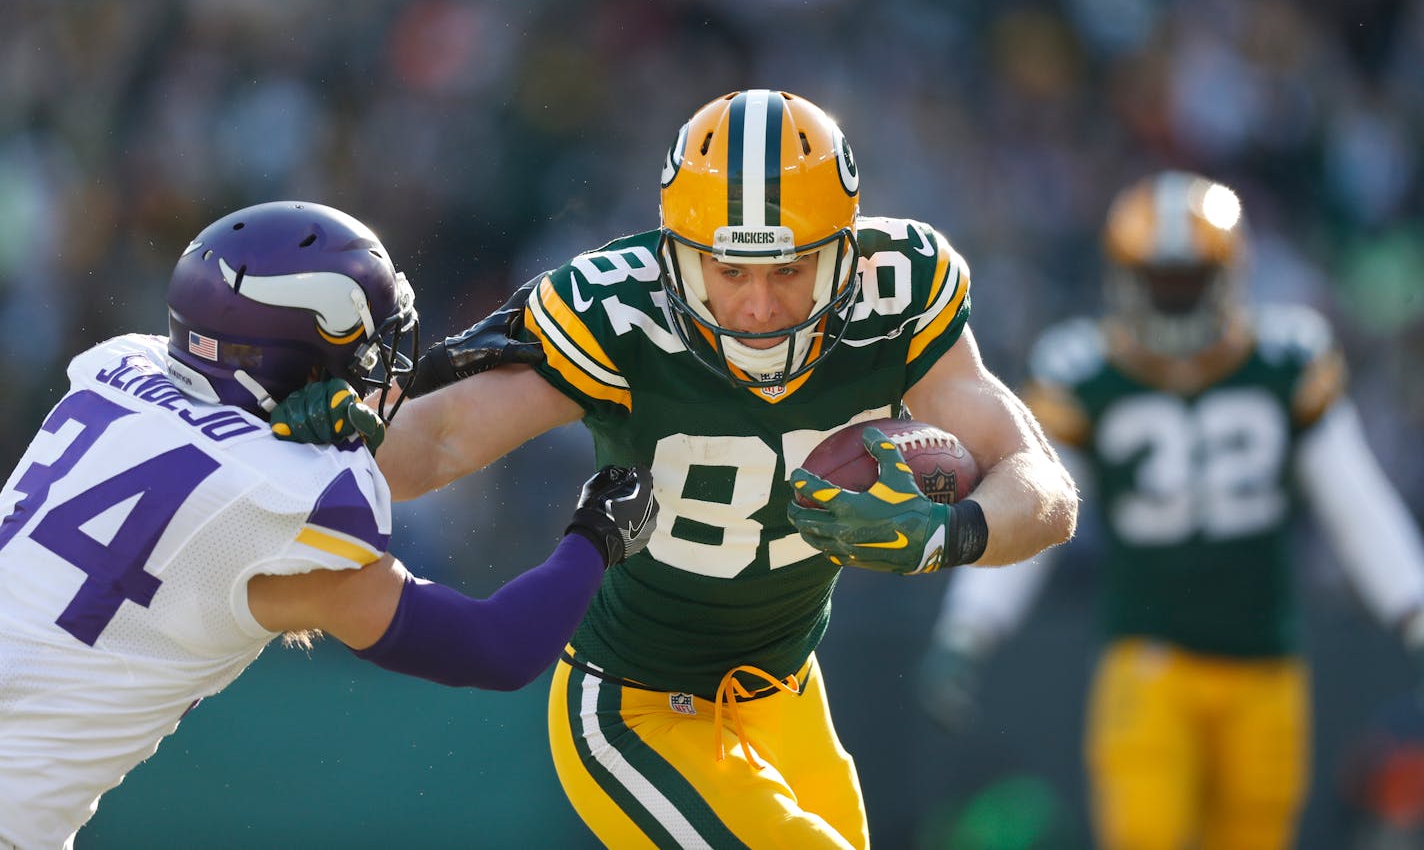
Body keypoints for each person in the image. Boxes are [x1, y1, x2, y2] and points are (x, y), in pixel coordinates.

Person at [274, 89, 1078, 847]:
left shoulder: (898, 292)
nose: (759, 306)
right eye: (731, 272)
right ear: (679, 258)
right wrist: (329, 443)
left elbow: (1041, 484)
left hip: (788, 692)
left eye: (789, 270)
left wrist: (950, 533)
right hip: (636, 703)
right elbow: (440, 442)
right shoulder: (620, 313)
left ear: (844, 254)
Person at [0, 201, 658, 850]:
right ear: (309, 367)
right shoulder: (292, 500)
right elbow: (495, 646)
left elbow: (228, 446)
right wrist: (597, 535)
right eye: (366, 350)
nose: (382, 363)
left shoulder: (120, 370)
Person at [918, 171, 1424, 850]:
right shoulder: (1086, 370)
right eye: (1161, 280)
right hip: (1149, 661)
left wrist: (1413, 601)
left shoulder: (1285, 359)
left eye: (1188, 280)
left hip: (1265, 660)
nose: (1175, 298)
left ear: (1229, 276)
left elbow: (1355, 499)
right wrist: (971, 624)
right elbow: (1035, 503)